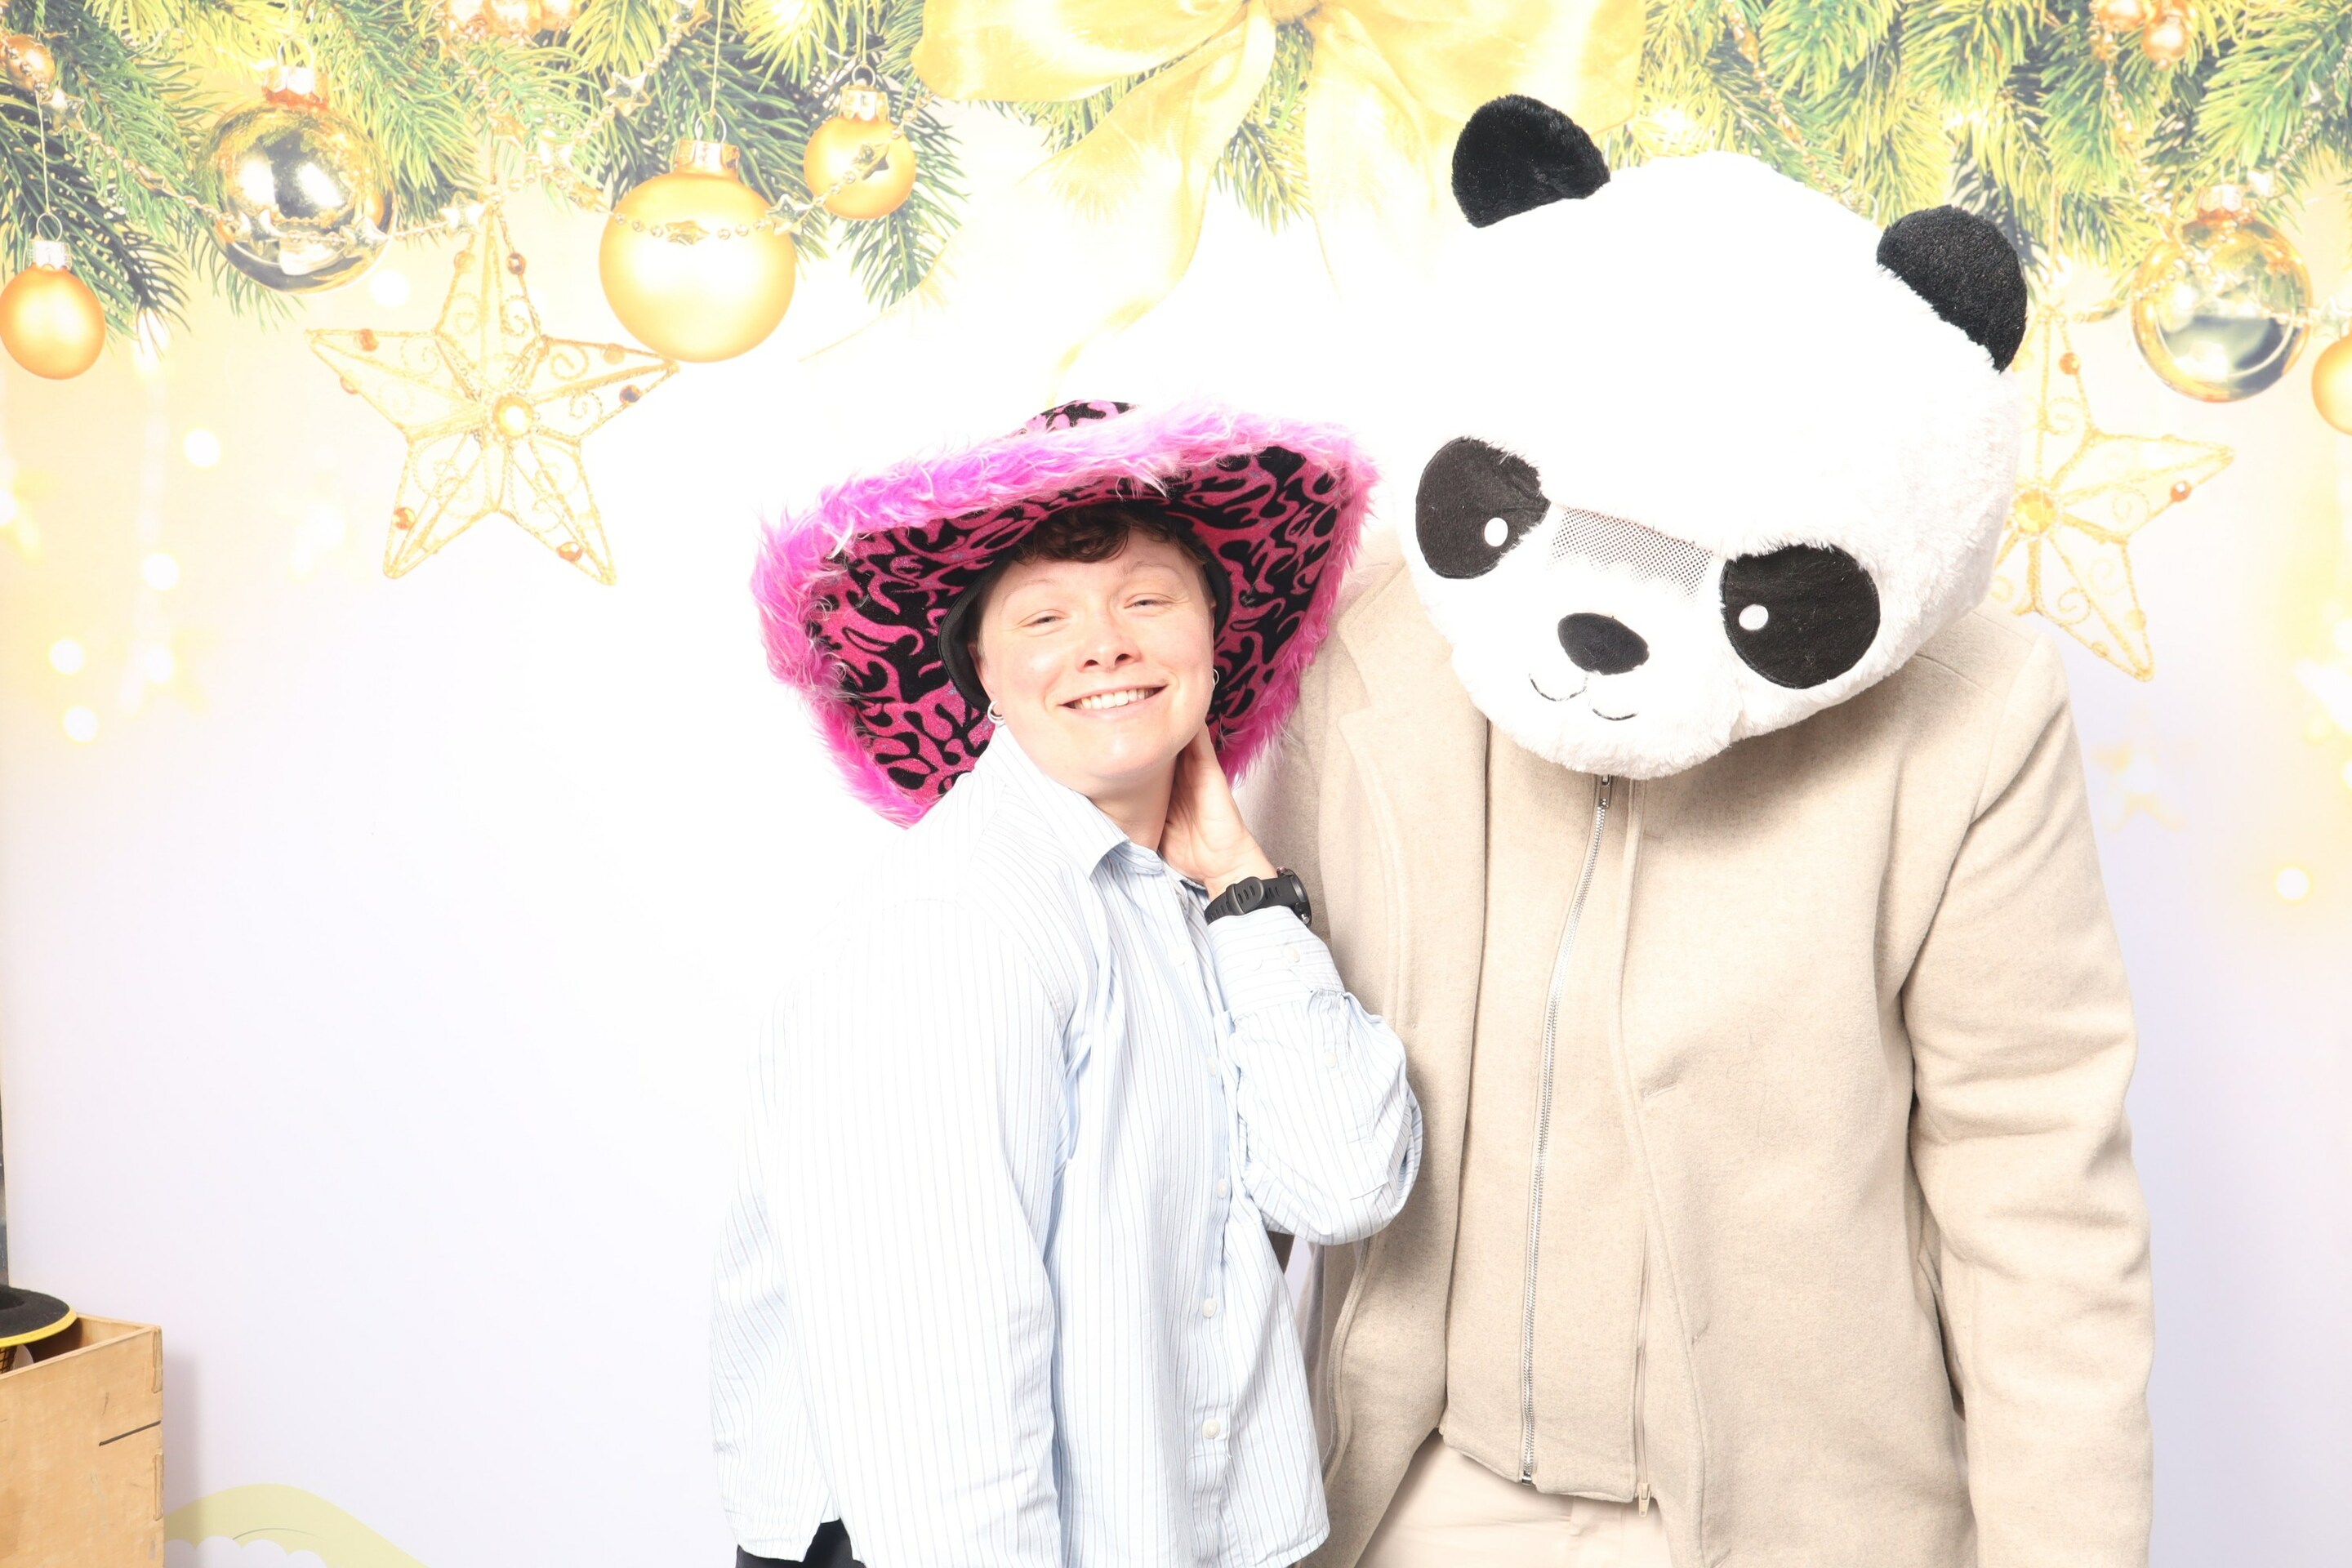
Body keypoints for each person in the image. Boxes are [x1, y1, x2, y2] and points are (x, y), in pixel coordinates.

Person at [714, 399, 1423, 1568]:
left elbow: (1342, 1188)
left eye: (1147, 600)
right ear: (981, 674)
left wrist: (1247, 893)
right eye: (1045, 616)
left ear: (1213, 636)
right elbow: (933, 1400)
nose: (1105, 645)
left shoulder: (1190, 899)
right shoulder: (956, 927)